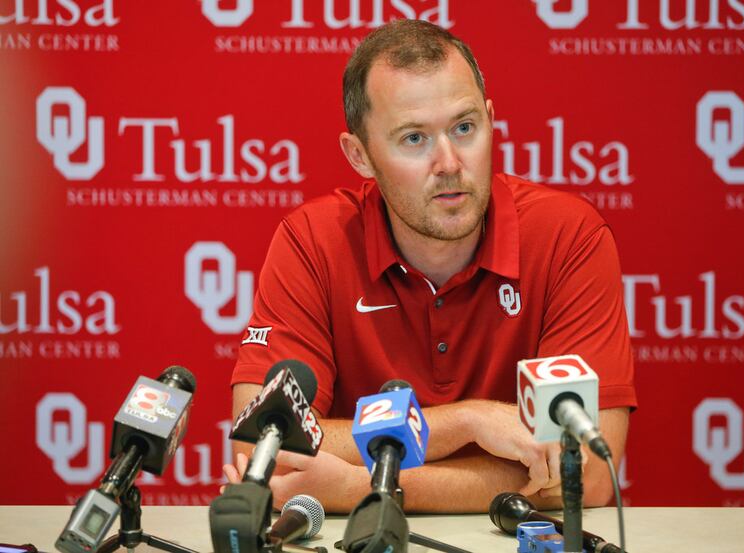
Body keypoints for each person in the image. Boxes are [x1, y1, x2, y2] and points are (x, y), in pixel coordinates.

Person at [224, 19, 636, 513]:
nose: (448, 163)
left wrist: (359, 488)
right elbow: (262, 451)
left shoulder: (568, 237)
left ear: (490, 120)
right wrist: (468, 421)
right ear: (359, 155)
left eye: (465, 128)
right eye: (414, 138)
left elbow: (585, 474)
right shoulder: (312, 242)